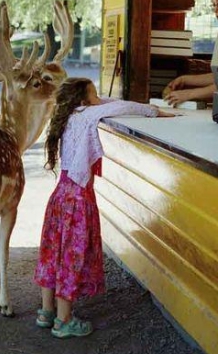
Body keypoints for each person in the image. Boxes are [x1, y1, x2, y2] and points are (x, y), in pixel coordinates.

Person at [34, 77, 174, 338]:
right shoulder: (89, 115)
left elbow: (110, 103)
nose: (100, 98)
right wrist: (155, 111)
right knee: (71, 258)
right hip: (78, 199)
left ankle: (47, 311)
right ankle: (64, 320)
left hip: (60, 195)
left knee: (53, 251)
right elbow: (121, 107)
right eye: (94, 93)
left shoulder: (71, 114)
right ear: (85, 101)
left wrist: (95, 98)